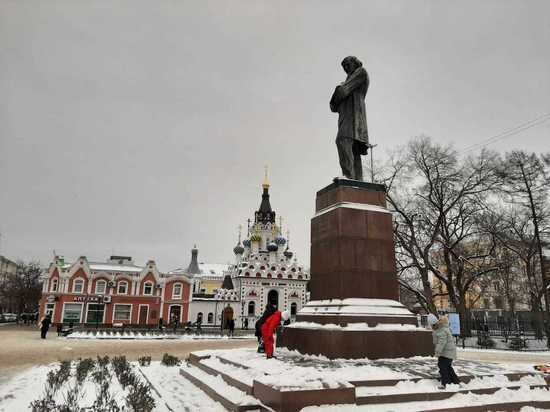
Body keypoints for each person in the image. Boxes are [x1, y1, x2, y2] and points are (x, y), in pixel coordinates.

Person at [330, 56, 370, 181]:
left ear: (355, 63)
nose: (346, 68)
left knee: (343, 140)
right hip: (347, 117)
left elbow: (342, 91)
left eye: (347, 64)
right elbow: (333, 107)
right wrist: (338, 93)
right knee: (353, 149)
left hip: (354, 117)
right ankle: (357, 180)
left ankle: (348, 176)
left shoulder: (361, 72)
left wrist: (338, 89)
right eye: (344, 67)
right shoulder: (350, 78)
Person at [428, 314, 460, 389]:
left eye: (432, 325)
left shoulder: (441, 330)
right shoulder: (440, 329)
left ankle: (446, 383)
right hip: (446, 352)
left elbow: (441, 342)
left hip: (447, 352)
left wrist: (437, 352)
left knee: (442, 366)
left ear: (435, 324)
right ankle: (455, 381)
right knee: (447, 367)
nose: (432, 327)